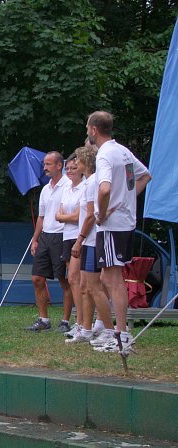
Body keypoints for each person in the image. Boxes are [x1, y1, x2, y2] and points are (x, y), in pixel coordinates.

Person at [87, 111, 151, 352]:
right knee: (107, 277)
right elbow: (145, 176)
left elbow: (104, 189)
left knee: (113, 280)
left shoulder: (105, 155)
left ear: (94, 129)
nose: (87, 132)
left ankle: (122, 336)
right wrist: (127, 200)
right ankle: (116, 332)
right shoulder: (122, 151)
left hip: (112, 225)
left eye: (87, 128)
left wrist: (102, 213)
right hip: (123, 222)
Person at [67, 146, 115, 344]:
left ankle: (108, 329)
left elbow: (89, 216)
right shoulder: (89, 182)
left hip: (92, 240)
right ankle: (86, 328)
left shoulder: (92, 182)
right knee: (85, 286)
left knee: (94, 287)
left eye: (77, 160)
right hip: (89, 240)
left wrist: (79, 240)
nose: (75, 164)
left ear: (85, 161)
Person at [25, 151, 72, 332]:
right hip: (45, 235)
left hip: (62, 235)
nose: (45, 168)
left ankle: (65, 321)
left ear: (59, 165)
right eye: (44, 164)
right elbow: (41, 216)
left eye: (48, 164)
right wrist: (35, 239)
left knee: (63, 279)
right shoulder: (45, 189)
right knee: (37, 278)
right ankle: (43, 320)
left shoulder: (69, 185)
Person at [55, 153, 85, 336]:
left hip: (80, 236)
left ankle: (82, 322)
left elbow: (78, 217)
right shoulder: (67, 189)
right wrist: (66, 217)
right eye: (68, 169)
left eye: (74, 168)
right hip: (67, 236)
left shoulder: (85, 187)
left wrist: (64, 217)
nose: (70, 171)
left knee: (75, 278)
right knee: (73, 279)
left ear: (81, 169)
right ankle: (79, 321)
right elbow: (58, 215)